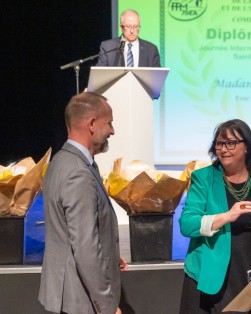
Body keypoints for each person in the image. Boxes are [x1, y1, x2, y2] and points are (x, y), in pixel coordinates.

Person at [38, 92, 128, 314]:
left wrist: (109, 252)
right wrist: (107, 306)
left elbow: (71, 231)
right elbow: (85, 247)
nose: (112, 131)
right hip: (80, 301)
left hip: (70, 296)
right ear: (92, 124)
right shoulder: (78, 172)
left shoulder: (61, 161)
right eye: (109, 123)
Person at [179, 119, 251, 313]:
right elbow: (186, 224)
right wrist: (227, 216)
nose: (223, 149)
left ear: (246, 146)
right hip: (209, 277)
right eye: (219, 143)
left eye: (231, 143)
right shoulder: (203, 178)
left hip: (248, 275)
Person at [96, 9, 161, 67]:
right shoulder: (108, 47)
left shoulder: (151, 49)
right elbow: (100, 75)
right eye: (128, 26)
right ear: (121, 27)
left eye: (136, 26)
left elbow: (157, 77)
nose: (132, 31)